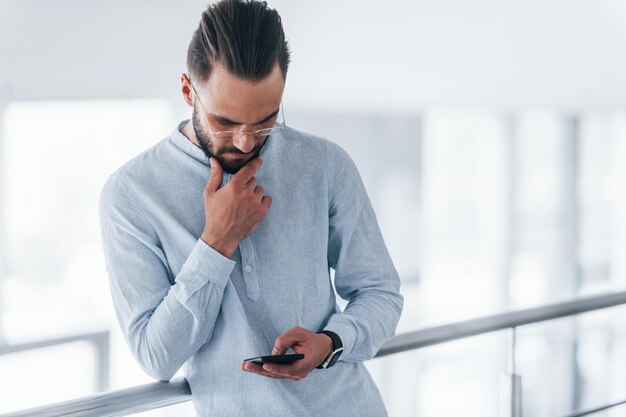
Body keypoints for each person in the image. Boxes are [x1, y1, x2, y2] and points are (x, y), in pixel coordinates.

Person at [98, 0, 403, 415]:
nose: (246, 141)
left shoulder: (326, 164)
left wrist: (332, 342)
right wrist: (217, 243)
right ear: (188, 90)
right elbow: (156, 357)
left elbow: (379, 292)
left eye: (264, 121)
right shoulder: (132, 195)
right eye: (225, 122)